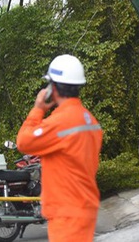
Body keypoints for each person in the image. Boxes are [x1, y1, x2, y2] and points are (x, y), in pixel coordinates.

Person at [16, 54, 103, 242]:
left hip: (67, 213)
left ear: (52, 88)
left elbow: (23, 142)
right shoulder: (90, 120)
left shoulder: (61, 123)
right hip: (84, 207)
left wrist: (38, 108)